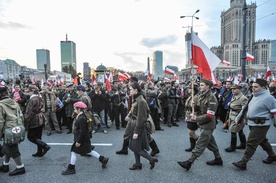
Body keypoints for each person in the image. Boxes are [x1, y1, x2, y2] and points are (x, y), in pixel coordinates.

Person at [177, 79, 222, 171]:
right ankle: (218, 159)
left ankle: (189, 162)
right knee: (211, 143)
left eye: (202, 85)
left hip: (208, 124)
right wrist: (194, 106)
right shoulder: (202, 96)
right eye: (200, 85)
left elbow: (210, 115)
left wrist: (196, 118)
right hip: (202, 123)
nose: (200, 87)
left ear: (208, 87)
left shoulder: (212, 98)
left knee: (200, 144)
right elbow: (200, 109)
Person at [233, 79, 276, 170]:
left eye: (256, 87)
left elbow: (274, 113)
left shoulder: (269, 98)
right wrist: (238, 118)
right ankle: (272, 156)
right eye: (252, 87)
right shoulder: (253, 96)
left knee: (251, 142)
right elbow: (245, 108)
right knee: (262, 140)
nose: (253, 88)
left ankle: (243, 162)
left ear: (263, 87)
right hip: (252, 123)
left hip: (262, 124)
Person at [61, 102, 109, 175]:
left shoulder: (82, 118)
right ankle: (103, 159)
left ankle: (71, 168)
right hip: (84, 139)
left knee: (74, 151)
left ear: (79, 109)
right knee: (88, 151)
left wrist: (79, 141)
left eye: (75, 109)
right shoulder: (81, 116)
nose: (74, 110)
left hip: (82, 139)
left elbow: (83, 131)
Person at [125, 82, 158, 170]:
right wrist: (129, 116)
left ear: (136, 90)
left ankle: (151, 159)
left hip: (138, 125)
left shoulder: (141, 101)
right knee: (135, 145)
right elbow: (133, 110)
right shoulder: (136, 99)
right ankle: (137, 163)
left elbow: (141, 118)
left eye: (131, 90)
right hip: (134, 123)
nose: (129, 91)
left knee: (137, 147)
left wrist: (136, 131)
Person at [0, 86, 25, 176]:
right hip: (16, 127)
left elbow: (0, 121)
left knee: (13, 149)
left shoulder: (1, 105)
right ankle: (5, 165)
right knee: (7, 147)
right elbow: (21, 115)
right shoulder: (14, 102)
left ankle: (20, 167)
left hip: (8, 129)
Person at [24, 85, 51, 157]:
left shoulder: (32, 100)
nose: (27, 93)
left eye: (28, 91)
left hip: (34, 119)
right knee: (38, 136)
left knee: (31, 137)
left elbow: (28, 113)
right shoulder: (39, 97)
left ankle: (45, 146)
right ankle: (39, 151)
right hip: (40, 118)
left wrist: (25, 122)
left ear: (32, 91)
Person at [224, 84, 248, 152]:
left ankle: (232, 146)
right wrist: (230, 104)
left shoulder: (243, 98)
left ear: (239, 89)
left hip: (238, 116)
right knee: (240, 131)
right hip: (232, 115)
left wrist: (240, 119)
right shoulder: (234, 96)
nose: (233, 90)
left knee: (233, 131)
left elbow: (244, 110)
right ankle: (243, 144)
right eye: (232, 89)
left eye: (234, 89)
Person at [184, 83, 199, 152]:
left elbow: (198, 107)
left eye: (190, 88)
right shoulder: (191, 96)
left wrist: (194, 106)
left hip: (193, 116)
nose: (188, 89)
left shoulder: (196, 97)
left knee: (191, 132)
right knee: (190, 132)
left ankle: (200, 144)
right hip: (189, 115)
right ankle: (192, 146)